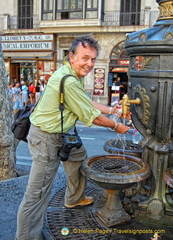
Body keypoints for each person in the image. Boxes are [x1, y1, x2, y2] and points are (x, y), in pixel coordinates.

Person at [16, 34, 129, 240]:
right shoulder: (68, 80)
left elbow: (86, 103)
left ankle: (74, 198)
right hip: (46, 137)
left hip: (63, 131)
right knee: (38, 193)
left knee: (78, 155)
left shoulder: (72, 74)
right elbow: (93, 117)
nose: (90, 64)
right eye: (85, 58)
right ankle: (25, 236)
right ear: (72, 57)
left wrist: (114, 111)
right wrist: (116, 125)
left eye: (93, 59)